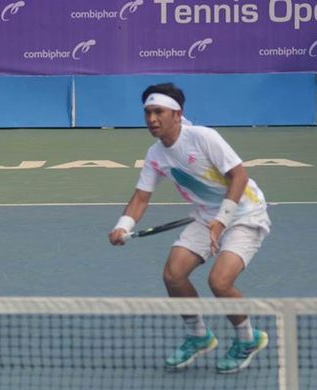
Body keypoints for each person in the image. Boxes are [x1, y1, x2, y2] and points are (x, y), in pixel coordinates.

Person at [108, 82, 271, 374]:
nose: (151, 119)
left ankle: (248, 339)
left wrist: (222, 219)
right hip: (206, 215)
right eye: (147, 113)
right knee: (173, 274)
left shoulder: (203, 137)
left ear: (177, 114)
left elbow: (239, 175)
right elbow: (141, 197)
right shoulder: (155, 155)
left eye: (158, 112)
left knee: (219, 282)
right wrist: (123, 225)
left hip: (245, 212)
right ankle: (199, 336)